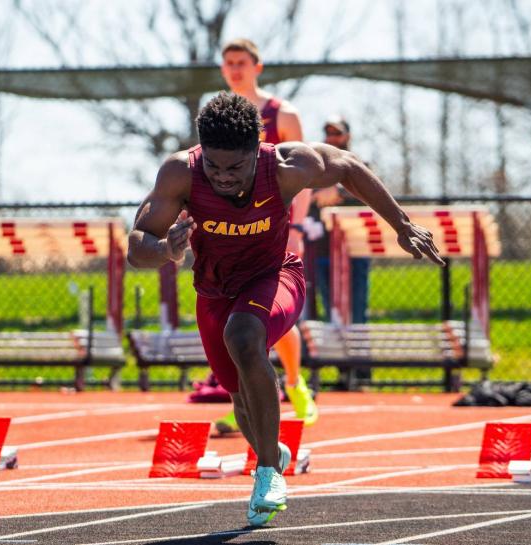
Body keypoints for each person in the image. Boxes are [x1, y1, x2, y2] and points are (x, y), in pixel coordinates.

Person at [128, 93, 443, 526]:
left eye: (235, 167)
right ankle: (270, 451)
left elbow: (348, 166)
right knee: (240, 400)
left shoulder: (286, 166)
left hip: (275, 275)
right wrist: (165, 248)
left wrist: (402, 225)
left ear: (255, 151)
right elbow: (136, 247)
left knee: (243, 336)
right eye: (215, 167)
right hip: (215, 291)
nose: (223, 178)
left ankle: (268, 472)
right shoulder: (181, 172)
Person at [214, 38, 317, 432]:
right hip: (234, 231)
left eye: (241, 62)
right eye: (228, 63)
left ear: (257, 66)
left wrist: (295, 226)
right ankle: (247, 397)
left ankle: (293, 382)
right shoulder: (220, 116)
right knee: (233, 314)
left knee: (271, 313)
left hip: (278, 227)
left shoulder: (282, 115)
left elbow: (306, 176)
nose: (234, 69)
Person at [307, 115, 373, 387]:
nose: (332, 138)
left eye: (338, 133)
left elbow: (369, 194)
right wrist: (318, 193)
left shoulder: (359, 165)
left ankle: (361, 370)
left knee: (356, 309)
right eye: (328, 133)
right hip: (324, 252)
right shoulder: (317, 169)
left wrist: (339, 191)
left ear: (347, 136)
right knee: (331, 310)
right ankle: (341, 371)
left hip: (355, 251)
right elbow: (307, 199)